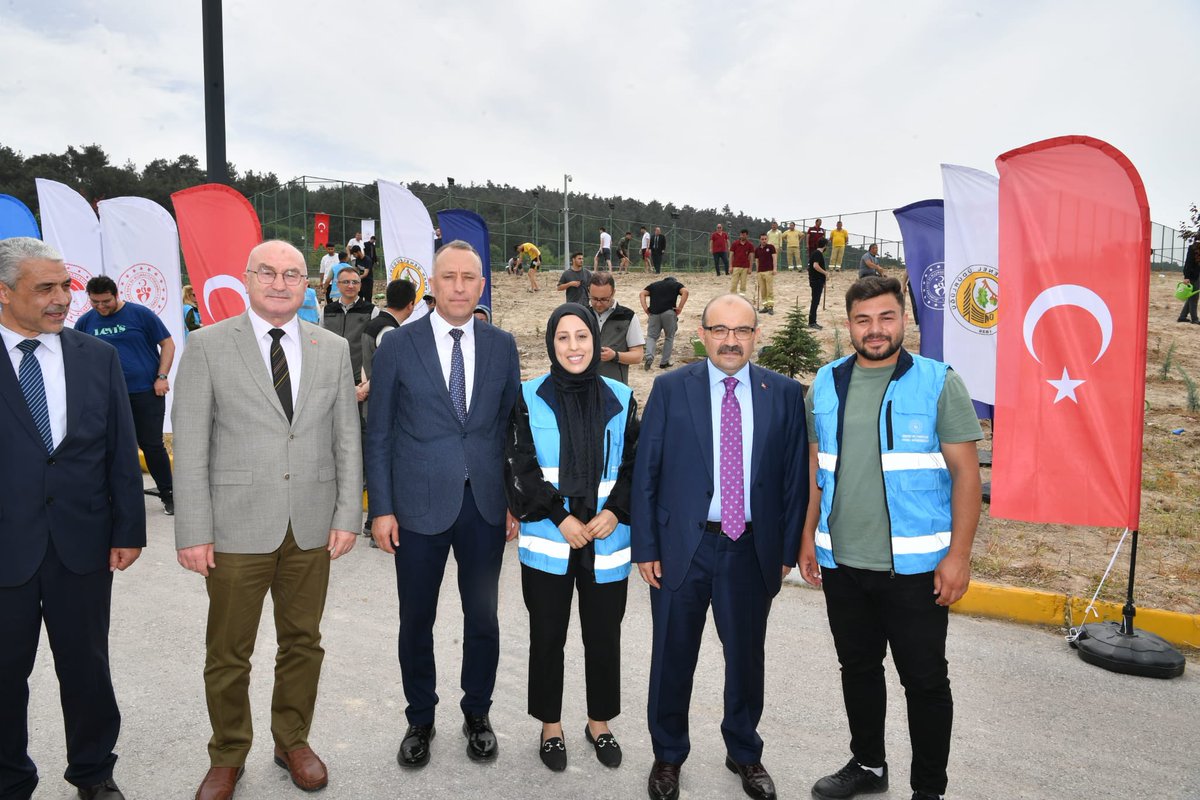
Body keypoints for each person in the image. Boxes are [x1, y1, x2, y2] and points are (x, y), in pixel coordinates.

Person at [172, 240, 363, 800]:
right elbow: (192, 442)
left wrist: (347, 513)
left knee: (303, 642)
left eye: (293, 275)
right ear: (247, 278)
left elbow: (346, 439)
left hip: (310, 524)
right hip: (234, 528)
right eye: (268, 273)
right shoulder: (207, 346)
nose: (280, 284)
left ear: (309, 283)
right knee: (229, 650)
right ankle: (228, 753)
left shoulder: (330, 348)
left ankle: (292, 741)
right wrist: (193, 531)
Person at [799, 276, 982, 800]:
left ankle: (928, 790)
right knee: (857, 670)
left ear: (904, 320)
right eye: (863, 320)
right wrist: (809, 536)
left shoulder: (938, 382)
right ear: (848, 325)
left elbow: (967, 475)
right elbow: (817, 467)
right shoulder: (826, 383)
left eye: (885, 318)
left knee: (924, 682)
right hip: (843, 564)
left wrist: (959, 556)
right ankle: (869, 765)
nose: (875, 330)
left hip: (918, 569)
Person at [632, 294, 808, 800]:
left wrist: (783, 552)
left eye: (743, 330)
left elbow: (794, 480)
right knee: (672, 655)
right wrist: (647, 545)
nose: (731, 340)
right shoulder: (669, 389)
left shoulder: (783, 393)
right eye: (720, 330)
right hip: (681, 548)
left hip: (751, 551)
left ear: (757, 335)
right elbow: (648, 472)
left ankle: (744, 752)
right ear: (703, 334)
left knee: (747, 658)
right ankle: (668, 755)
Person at [365, 240, 522, 770]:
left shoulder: (501, 346)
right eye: (448, 277)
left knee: (484, 617)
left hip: (484, 506)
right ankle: (420, 717)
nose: (458, 286)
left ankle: (477, 712)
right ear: (432, 284)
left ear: (482, 285)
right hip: (416, 508)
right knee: (417, 619)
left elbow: (509, 431)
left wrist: (512, 500)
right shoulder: (397, 345)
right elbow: (379, 430)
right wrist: (381, 508)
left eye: (469, 277)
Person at [0, 237, 145, 800]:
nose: (63, 298)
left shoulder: (95, 356)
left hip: (82, 545)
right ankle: (10, 778)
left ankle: (92, 771)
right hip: (6, 549)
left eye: (65, 286)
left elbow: (119, 450)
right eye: (46, 289)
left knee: (86, 670)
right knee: (5, 675)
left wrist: (129, 529)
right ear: (5, 293)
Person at [504, 303, 640, 773]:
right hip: (550, 539)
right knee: (548, 636)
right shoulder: (527, 395)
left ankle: (598, 722)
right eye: (563, 338)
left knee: (604, 636)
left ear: (595, 342)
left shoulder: (624, 397)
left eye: (581, 336)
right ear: (550, 343)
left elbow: (634, 466)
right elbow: (519, 464)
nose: (574, 346)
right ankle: (550, 726)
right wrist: (560, 517)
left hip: (605, 539)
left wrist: (616, 511)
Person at [76, 275, 176, 516]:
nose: (101, 307)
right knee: (116, 447)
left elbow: (168, 344)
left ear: (116, 295)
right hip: (106, 396)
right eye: (95, 302)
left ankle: (169, 494)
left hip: (145, 392)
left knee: (151, 445)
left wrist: (161, 377)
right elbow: (76, 354)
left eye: (106, 301)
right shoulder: (85, 322)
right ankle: (122, 498)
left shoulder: (140, 315)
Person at [359, 279, 419, 542]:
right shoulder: (390, 332)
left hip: (371, 405)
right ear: (411, 305)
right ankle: (376, 521)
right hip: (385, 406)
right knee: (386, 464)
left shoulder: (373, 324)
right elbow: (385, 371)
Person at [588, 271, 645, 384]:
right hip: (584, 387)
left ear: (613, 293)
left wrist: (615, 356)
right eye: (594, 299)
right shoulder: (581, 315)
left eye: (604, 299)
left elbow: (638, 356)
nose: (598, 304)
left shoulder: (628, 317)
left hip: (615, 388)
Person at [639, 275, 688, 370]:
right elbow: (685, 292)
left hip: (654, 314)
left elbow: (642, 294)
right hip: (669, 313)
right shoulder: (676, 285)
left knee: (651, 337)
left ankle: (649, 357)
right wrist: (680, 308)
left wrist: (646, 309)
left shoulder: (654, 285)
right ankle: (664, 362)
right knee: (669, 337)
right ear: (674, 280)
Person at [753, 233, 778, 315]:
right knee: (763, 290)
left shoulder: (771, 247)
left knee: (769, 290)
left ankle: (771, 307)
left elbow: (774, 258)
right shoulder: (757, 249)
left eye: (765, 239)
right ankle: (765, 307)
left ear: (767, 239)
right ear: (760, 240)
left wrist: (774, 269)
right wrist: (757, 271)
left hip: (769, 271)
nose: (764, 240)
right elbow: (757, 261)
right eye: (762, 239)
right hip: (760, 272)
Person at [809, 237, 830, 330]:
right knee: (815, 302)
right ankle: (812, 322)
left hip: (816, 280)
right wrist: (825, 273)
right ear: (825, 245)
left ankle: (812, 321)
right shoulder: (818, 253)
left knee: (815, 301)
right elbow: (815, 266)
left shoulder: (814, 253)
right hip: (817, 281)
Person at [1177, 238, 1199, 324]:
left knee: (1191, 296)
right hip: (1193, 276)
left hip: (1197, 275)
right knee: (1194, 297)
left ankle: (1182, 317)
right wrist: (1186, 277)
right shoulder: (1193, 248)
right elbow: (1188, 263)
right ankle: (1194, 319)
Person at [729, 229, 754, 296]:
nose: (742, 236)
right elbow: (731, 255)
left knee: (743, 284)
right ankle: (733, 297)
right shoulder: (735, 244)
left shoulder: (750, 245)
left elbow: (751, 257)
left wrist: (750, 268)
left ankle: (742, 297)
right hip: (736, 266)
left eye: (744, 235)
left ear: (747, 235)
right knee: (734, 283)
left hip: (745, 267)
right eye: (741, 235)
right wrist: (730, 266)